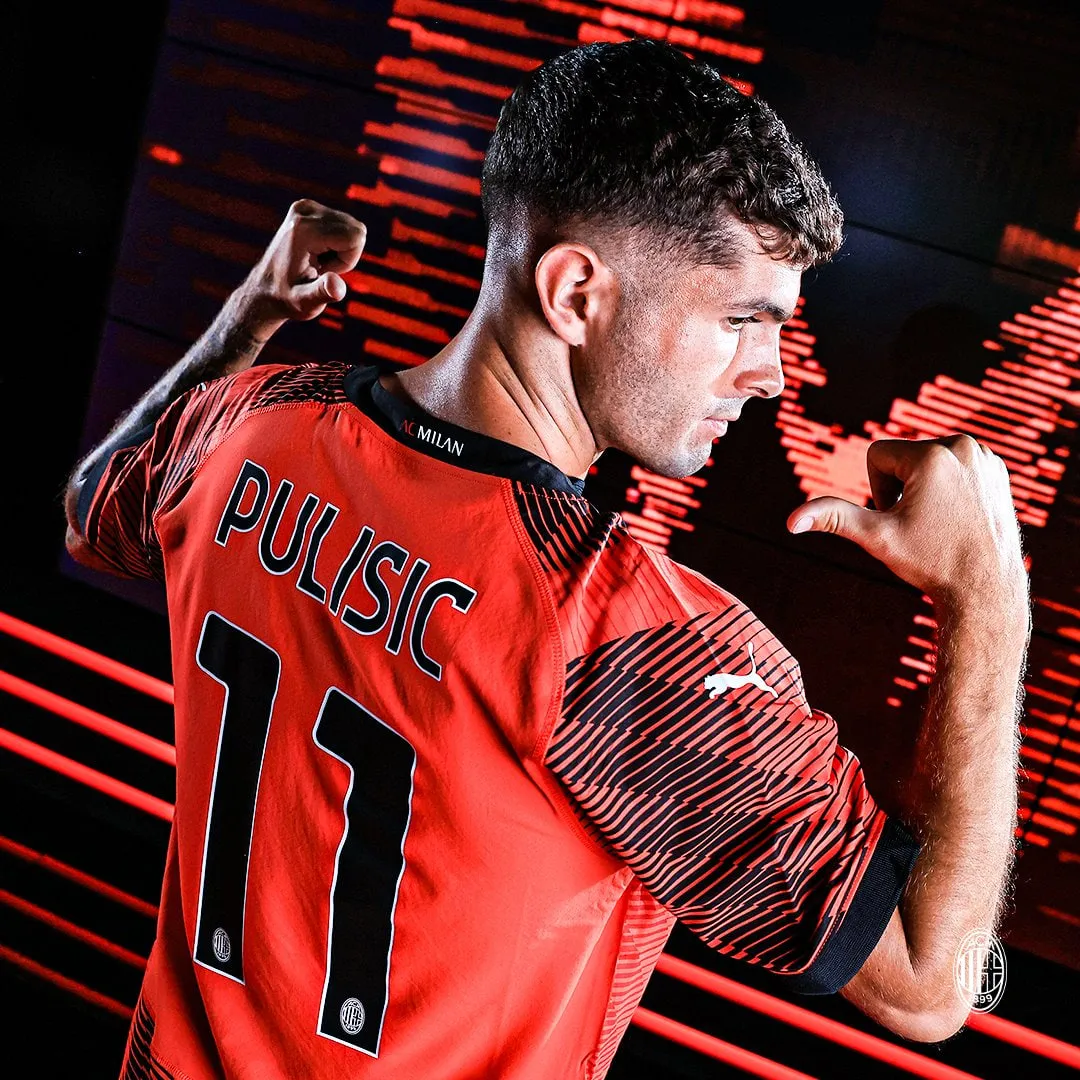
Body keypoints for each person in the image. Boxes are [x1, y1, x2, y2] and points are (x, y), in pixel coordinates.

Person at [64, 37, 1030, 1080]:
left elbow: (91, 510)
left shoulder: (248, 426)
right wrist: (988, 594)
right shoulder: (630, 640)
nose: (769, 375)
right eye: (742, 320)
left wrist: (252, 311)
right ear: (574, 293)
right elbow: (936, 980)